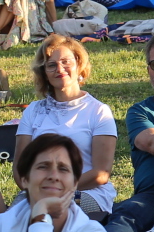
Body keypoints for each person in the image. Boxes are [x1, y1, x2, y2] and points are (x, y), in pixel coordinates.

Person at [15, 34, 118, 219]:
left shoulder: (99, 111)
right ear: (44, 73)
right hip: (39, 191)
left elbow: (101, 174)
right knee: (14, 218)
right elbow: (19, 169)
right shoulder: (33, 111)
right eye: (51, 65)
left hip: (86, 190)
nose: (59, 69)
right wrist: (40, 191)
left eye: (65, 62)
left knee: (59, 214)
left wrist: (59, 189)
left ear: (79, 65)